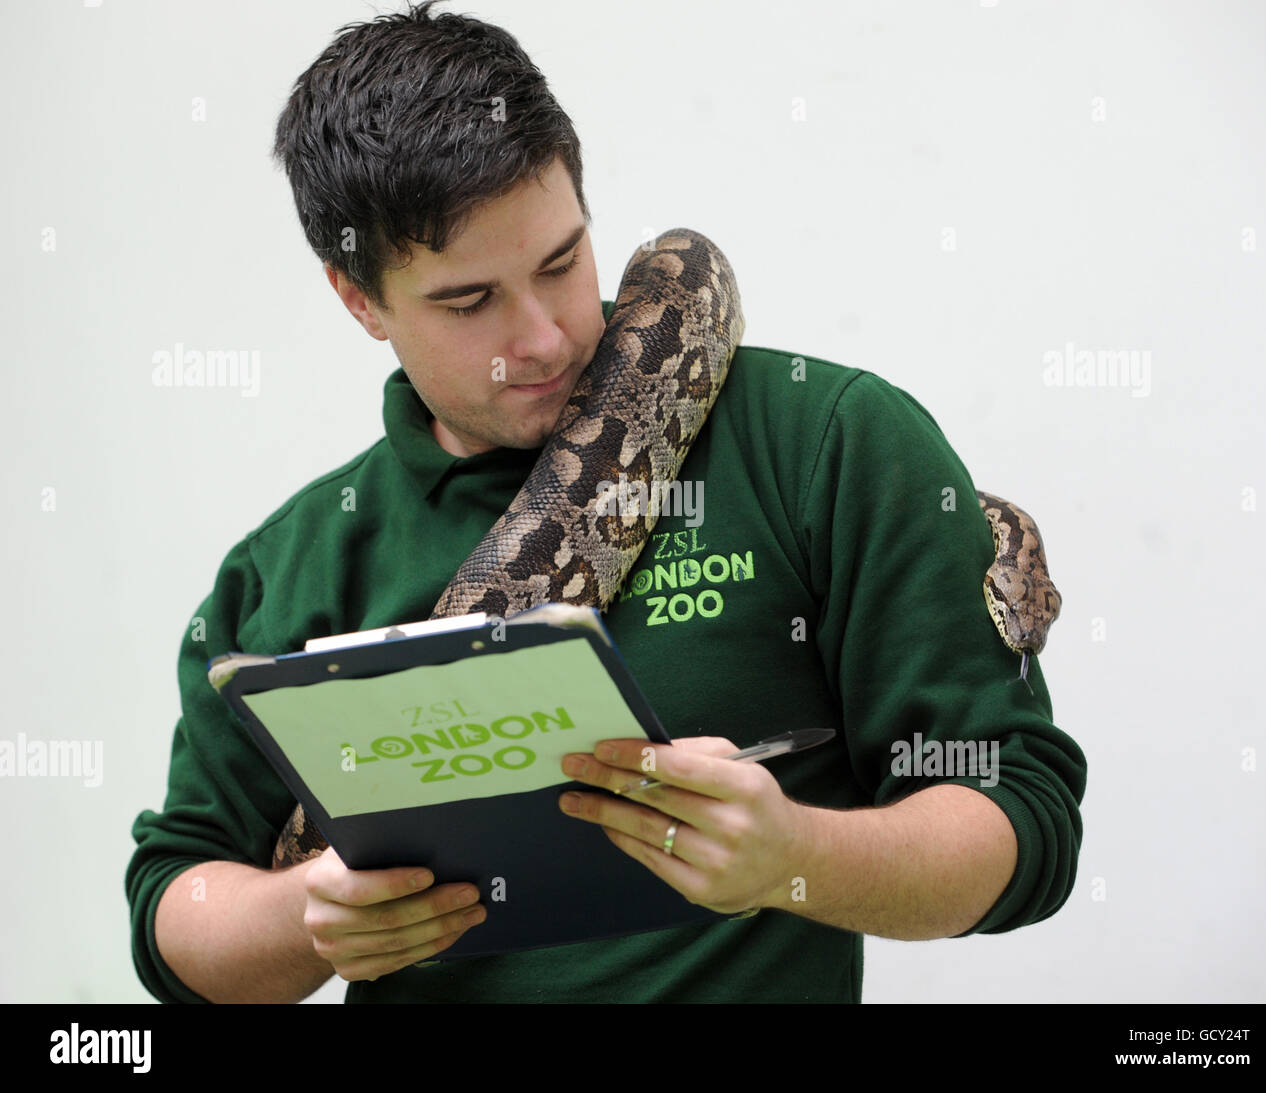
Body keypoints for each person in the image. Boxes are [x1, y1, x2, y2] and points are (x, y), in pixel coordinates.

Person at [126, 1, 1086, 1004]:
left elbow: (1020, 819)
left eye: (561, 262)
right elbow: (172, 911)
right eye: (469, 301)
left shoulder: (823, 441)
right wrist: (304, 918)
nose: (539, 336)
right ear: (359, 299)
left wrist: (795, 854)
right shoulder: (292, 564)